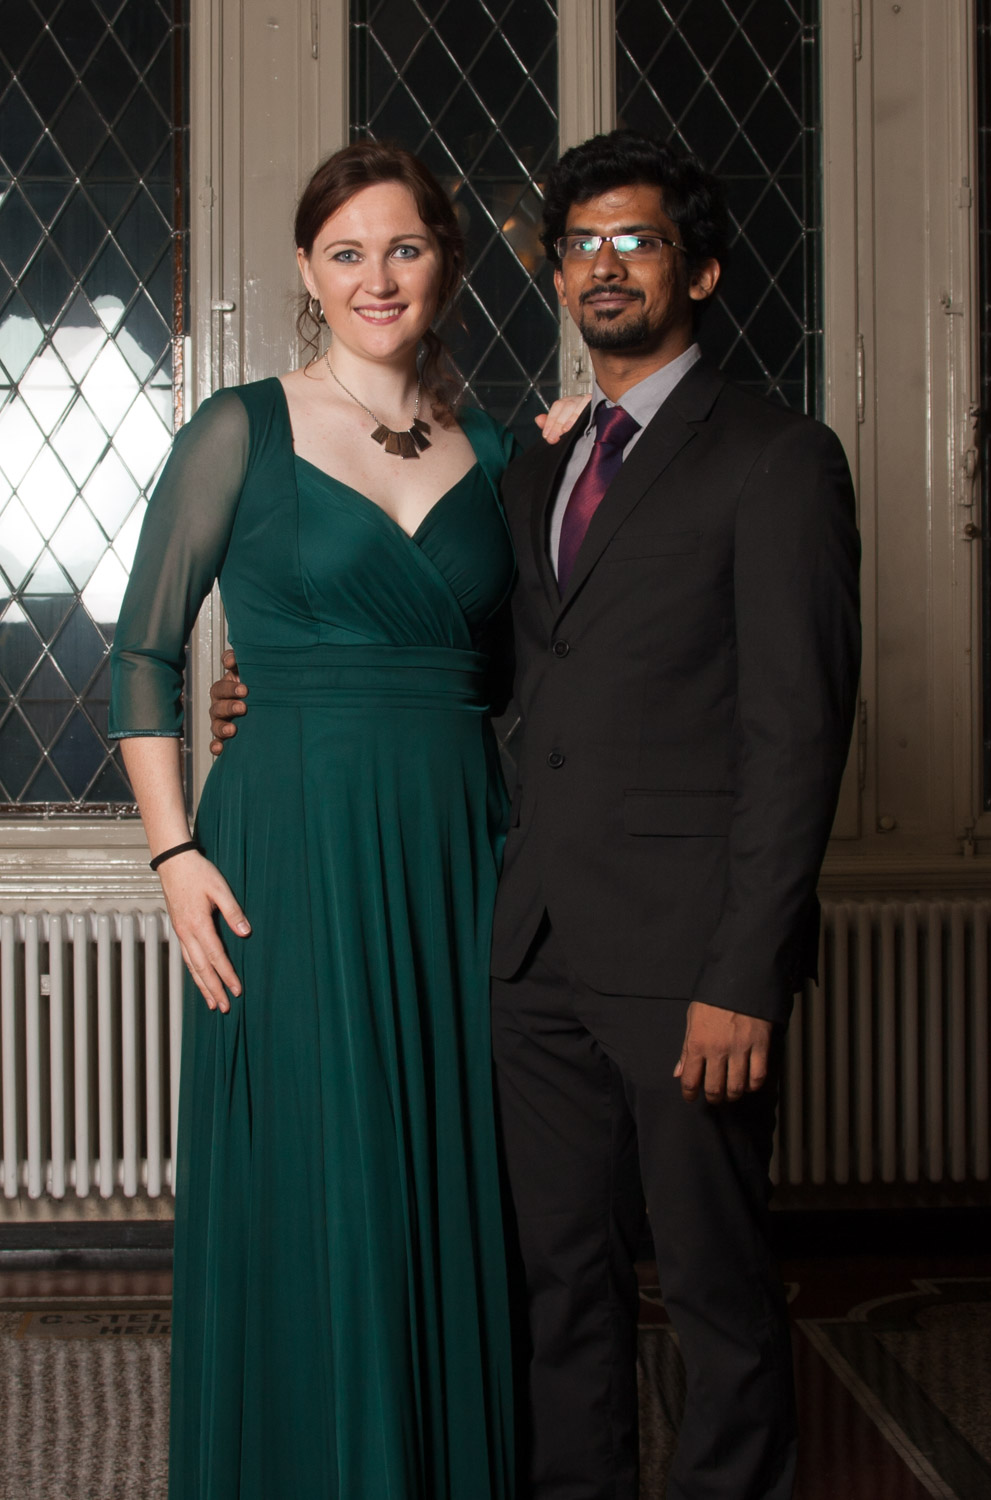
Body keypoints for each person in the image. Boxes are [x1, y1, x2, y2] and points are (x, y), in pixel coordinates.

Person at [212, 129, 861, 1499]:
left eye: (638, 240)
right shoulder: (533, 466)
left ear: (701, 271)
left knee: (716, 1289)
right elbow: (482, 665)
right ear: (555, 274)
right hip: (530, 954)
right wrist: (279, 685)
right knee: (556, 1283)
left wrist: (746, 976)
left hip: (689, 962)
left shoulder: (779, 457)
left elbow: (798, 737)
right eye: (581, 245)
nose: (604, 265)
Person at [110, 139, 581, 1500]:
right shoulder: (240, 429)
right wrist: (174, 852)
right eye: (347, 252)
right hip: (290, 848)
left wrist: (576, 459)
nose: (379, 277)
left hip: (457, 848)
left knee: (454, 1168)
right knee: (318, 1168)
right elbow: (143, 655)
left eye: (406, 248)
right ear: (308, 274)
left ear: (448, 263)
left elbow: (536, 671)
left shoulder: (505, 452)